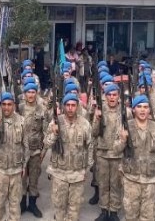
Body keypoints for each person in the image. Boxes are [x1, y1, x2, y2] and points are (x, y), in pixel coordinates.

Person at [114, 95, 155, 221]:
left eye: (145, 107)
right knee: (131, 215)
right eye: (139, 107)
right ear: (133, 110)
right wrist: (122, 140)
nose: (142, 110)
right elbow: (116, 150)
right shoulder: (125, 127)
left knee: (148, 216)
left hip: (150, 180)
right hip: (131, 179)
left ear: (149, 110)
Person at [44, 93, 93, 221]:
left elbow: (90, 147)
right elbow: (46, 143)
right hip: (59, 173)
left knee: (74, 209)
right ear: (64, 106)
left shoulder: (85, 124)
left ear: (77, 106)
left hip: (77, 174)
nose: (70, 108)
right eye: (68, 105)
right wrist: (54, 134)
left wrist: (87, 168)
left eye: (73, 105)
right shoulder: (55, 122)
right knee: (59, 208)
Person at [0, 91, 29, 221]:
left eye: (9, 104)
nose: (6, 107)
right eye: (3, 104)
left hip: (16, 171)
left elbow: (26, 146)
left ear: (14, 105)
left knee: (15, 206)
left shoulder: (22, 121)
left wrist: (24, 166)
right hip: (0, 171)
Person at [92, 83, 130, 221]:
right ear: (105, 96)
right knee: (103, 184)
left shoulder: (125, 111)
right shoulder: (100, 111)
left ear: (118, 96)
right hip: (102, 154)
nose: (112, 97)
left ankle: (113, 211)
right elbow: (94, 133)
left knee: (116, 184)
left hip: (118, 155)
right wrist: (97, 119)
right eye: (109, 95)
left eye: (114, 95)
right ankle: (103, 210)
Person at [19, 83, 48, 217]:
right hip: (21, 151)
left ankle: (32, 204)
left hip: (36, 151)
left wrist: (43, 152)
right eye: (28, 92)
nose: (30, 95)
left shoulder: (42, 109)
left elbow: (46, 131)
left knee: (34, 179)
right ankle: (22, 204)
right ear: (24, 94)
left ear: (36, 93)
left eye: (33, 92)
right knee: (22, 179)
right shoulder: (19, 108)